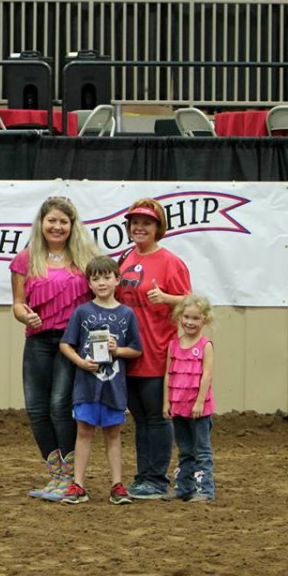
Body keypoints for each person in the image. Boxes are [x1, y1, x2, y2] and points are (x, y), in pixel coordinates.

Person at [10, 196, 98, 501]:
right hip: (37, 340)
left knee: (60, 406)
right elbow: (18, 304)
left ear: (72, 226)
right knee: (36, 408)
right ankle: (56, 475)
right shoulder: (26, 259)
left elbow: (101, 298)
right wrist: (25, 314)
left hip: (71, 342)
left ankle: (73, 478)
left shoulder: (86, 259)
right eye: (52, 221)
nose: (57, 226)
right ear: (42, 223)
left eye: (63, 221)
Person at [116, 198, 192, 500]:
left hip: (158, 350)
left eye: (146, 222)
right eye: (135, 222)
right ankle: (143, 477)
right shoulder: (126, 258)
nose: (139, 227)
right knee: (140, 416)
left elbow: (190, 303)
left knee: (157, 417)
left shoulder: (170, 262)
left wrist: (167, 298)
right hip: (129, 352)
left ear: (158, 228)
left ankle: (157, 479)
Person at [58, 256, 142, 505]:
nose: (102, 283)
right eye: (96, 279)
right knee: (83, 432)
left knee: (113, 434)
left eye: (107, 277)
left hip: (114, 388)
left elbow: (136, 350)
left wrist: (118, 350)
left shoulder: (127, 314)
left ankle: (117, 485)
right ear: (89, 284)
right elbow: (66, 344)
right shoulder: (82, 312)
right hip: (86, 386)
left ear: (117, 279)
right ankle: (78, 485)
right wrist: (81, 362)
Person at [162, 293, 216, 503]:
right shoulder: (174, 345)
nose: (190, 322)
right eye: (186, 317)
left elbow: (207, 375)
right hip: (178, 406)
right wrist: (167, 401)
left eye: (195, 318)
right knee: (184, 449)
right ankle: (184, 487)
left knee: (201, 450)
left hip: (198, 408)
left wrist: (200, 401)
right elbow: (169, 373)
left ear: (205, 320)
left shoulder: (205, 345)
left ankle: (205, 490)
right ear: (179, 317)